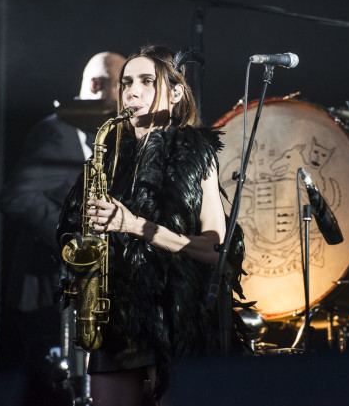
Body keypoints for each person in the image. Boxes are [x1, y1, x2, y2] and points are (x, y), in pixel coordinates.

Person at [57, 45, 235, 405]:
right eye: (126, 83)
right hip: (116, 318)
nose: (132, 91)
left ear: (175, 92)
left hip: (172, 316)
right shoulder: (107, 156)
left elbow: (216, 251)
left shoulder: (195, 153)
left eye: (146, 81)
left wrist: (135, 224)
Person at [0, 51, 125, 402]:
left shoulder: (103, 138)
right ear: (97, 85)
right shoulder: (56, 130)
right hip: (46, 293)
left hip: (80, 295)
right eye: (123, 86)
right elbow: (17, 197)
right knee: (51, 392)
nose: (128, 99)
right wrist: (73, 242)